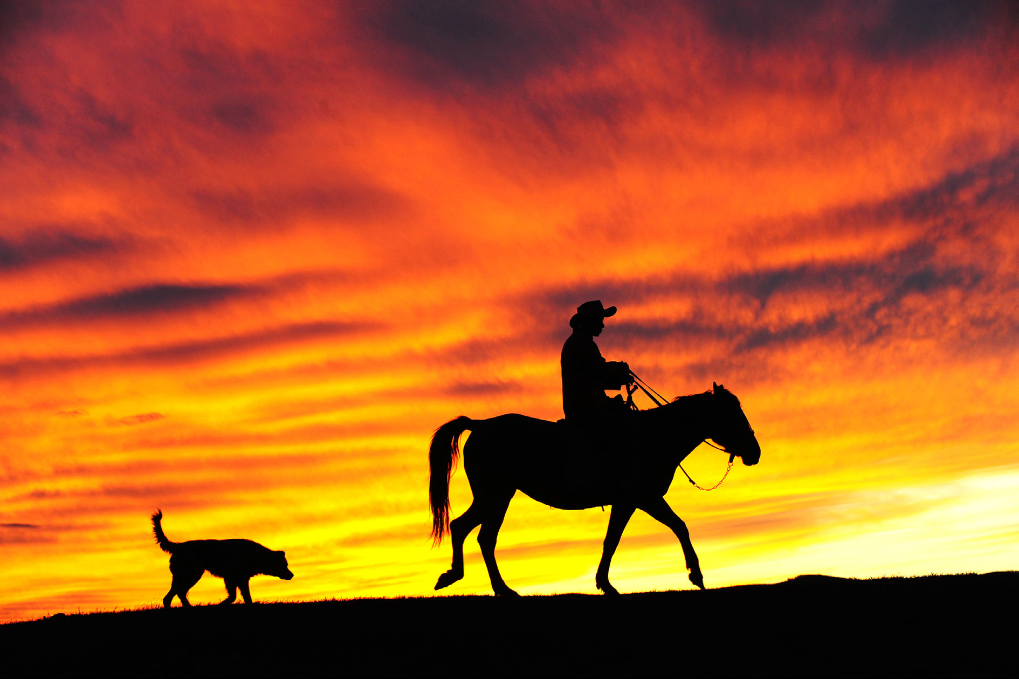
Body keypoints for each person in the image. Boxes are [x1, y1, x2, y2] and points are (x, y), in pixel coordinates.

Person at [561, 300, 633, 424]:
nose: (602, 325)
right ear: (590, 322)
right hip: (586, 410)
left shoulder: (580, 341)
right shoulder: (581, 343)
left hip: (586, 407)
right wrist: (619, 370)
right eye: (599, 321)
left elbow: (594, 377)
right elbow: (597, 371)